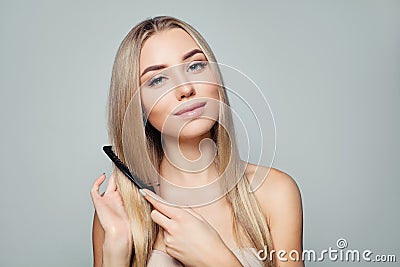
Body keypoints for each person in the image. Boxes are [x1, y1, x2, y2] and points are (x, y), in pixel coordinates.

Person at [90, 16, 303, 267]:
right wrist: (115, 251)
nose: (186, 88)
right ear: (137, 107)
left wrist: (216, 259)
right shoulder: (120, 210)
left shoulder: (275, 192)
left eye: (195, 66)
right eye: (157, 80)